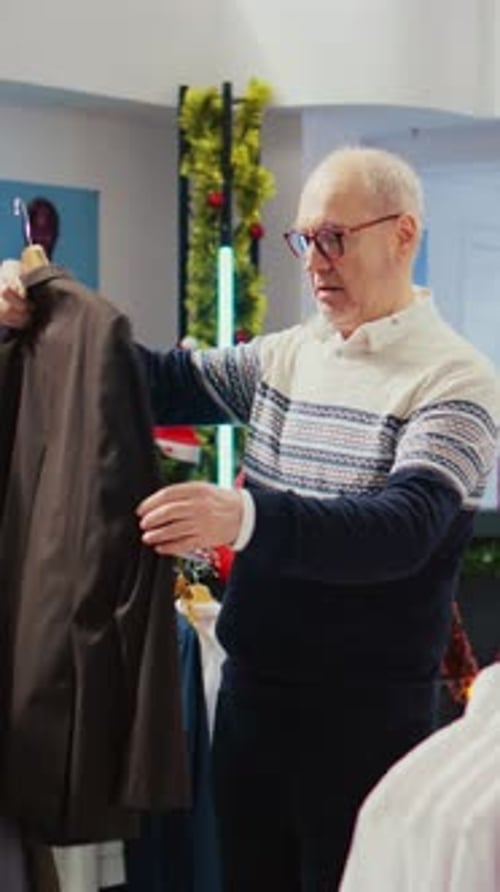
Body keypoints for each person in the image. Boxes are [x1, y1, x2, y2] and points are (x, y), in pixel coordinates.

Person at [1, 146, 499, 891]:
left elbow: (403, 528)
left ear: (403, 234)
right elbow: (157, 382)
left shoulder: (455, 378)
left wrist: (244, 517)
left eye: (336, 237)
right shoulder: (291, 355)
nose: (315, 261)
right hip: (253, 707)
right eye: (305, 240)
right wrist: (46, 306)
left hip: (367, 723)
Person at [27, 196, 60, 261]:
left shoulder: (60, 271)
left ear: (56, 235)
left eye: (45, 231)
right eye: (35, 231)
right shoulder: (10, 269)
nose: (40, 238)